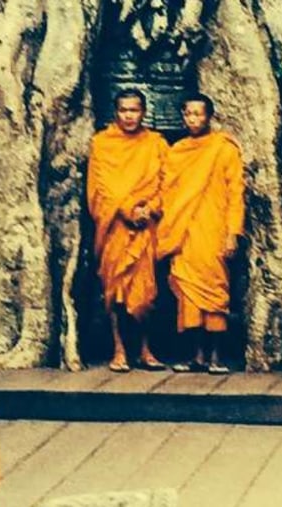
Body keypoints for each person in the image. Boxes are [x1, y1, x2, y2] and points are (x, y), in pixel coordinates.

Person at [157, 93, 245, 375]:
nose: (193, 119)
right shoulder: (178, 151)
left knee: (215, 293)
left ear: (209, 116)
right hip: (184, 231)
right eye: (188, 114)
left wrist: (233, 233)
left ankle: (217, 356)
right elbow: (167, 191)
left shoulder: (224, 149)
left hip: (214, 230)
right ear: (183, 117)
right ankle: (196, 355)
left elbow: (236, 193)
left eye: (199, 114)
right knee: (188, 295)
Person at [87, 89, 168, 372]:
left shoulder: (156, 144)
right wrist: (124, 210)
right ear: (116, 112)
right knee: (114, 291)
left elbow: (165, 182)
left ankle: (146, 349)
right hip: (115, 227)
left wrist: (150, 208)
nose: (129, 116)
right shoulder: (102, 144)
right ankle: (119, 349)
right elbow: (100, 187)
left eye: (134, 110)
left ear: (143, 112)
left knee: (146, 293)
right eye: (124, 110)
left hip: (146, 225)